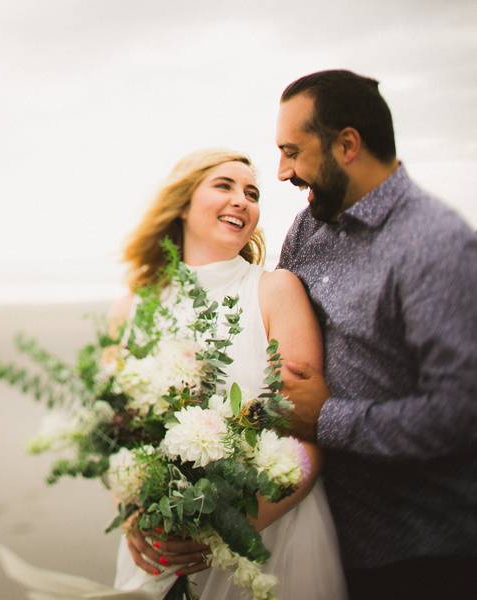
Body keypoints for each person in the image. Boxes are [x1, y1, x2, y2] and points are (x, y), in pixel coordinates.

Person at [274, 69, 477, 599]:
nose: (281, 172)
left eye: (292, 152)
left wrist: (327, 417)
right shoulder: (308, 228)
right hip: (317, 534)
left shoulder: (436, 245)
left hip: (418, 555)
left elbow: (461, 415)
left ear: (346, 145)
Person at [111, 149, 347, 599]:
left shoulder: (276, 290)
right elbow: (119, 437)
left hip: (269, 535)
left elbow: (306, 435)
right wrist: (131, 515)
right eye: (224, 186)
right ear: (182, 202)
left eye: (252, 193)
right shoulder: (131, 308)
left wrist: (229, 529)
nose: (242, 200)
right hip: (163, 548)